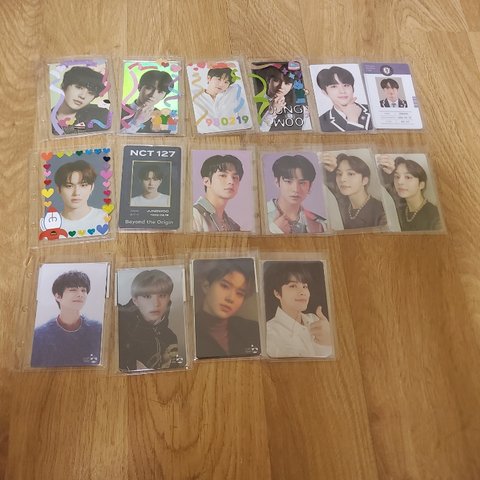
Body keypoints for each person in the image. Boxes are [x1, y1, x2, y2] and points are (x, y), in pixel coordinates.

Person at [31, 271, 102, 367]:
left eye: (83, 290)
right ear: (58, 296)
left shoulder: (98, 330)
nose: (80, 294)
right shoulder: (39, 335)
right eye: (73, 290)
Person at [194, 260, 261, 359]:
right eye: (225, 286)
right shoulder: (190, 332)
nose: (230, 298)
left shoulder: (253, 330)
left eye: (240, 293)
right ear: (206, 286)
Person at [264, 263, 333, 358]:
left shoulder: (314, 319)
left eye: (305, 286)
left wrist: (330, 340)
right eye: (293, 286)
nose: (302, 292)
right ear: (277, 293)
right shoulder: (269, 333)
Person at [118, 270, 181, 371]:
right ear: (135, 300)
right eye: (147, 296)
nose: (156, 304)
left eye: (162, 295)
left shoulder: (170, 338)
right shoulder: (118, 324)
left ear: (169, 299)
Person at [320, 152, 387, 229]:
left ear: (364, 180)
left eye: (350, 174)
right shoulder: (342, 202)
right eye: (339, 174)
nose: (342, 179)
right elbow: (328, 181)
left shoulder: (381, 212)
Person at [377, 155, 442, 231]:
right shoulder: (399, 211)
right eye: (397, 176)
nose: (399, 182)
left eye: (408, 177)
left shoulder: (436, 216)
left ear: (421, 185)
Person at [267, 155, 326, 234]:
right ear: (277, 182)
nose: (296, 189)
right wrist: (274, 230)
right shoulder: (260, 216)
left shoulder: (320, 226)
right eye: (288, 181)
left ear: (310, 186)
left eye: (302, 183)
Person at [52, 65, 110, 135]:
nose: (82, 96)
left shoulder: (100, 115)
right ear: (63, 86)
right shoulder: (44, 120)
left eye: (90, 93)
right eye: (78, 87)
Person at [252, 64, 311, 132]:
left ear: (291, 87)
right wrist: (271, 113)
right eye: (277, 80)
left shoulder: (301, 110)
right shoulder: (253, 102)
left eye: (287, 83)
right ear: (268, 80)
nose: (281, 86)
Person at [193, 155, 244, 232]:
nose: (231, 181)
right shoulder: (194, 215)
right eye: (223, 175)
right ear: (206, 181)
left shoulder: (233, 225)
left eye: (235, 177)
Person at [54, 160, 106, 234]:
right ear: (58, 189)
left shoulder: (105, 218)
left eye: (83, 185)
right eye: (69, 186)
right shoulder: (51, 225)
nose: (76, 193)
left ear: (92, 187)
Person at [316, 65, 372, 132]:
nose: (342, 91)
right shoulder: (320, 123)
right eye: (334, 86)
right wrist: (353, 120)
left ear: (353, 88)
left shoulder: (372, 110)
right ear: (325, 92)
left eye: (346, 85)